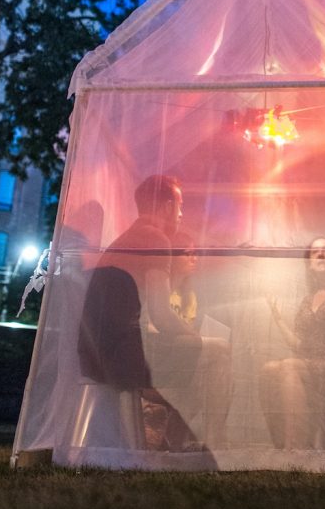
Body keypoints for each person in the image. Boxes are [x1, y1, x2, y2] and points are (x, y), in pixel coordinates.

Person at [78, 175, 230, 450]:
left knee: (196, 353)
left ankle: (173, 443)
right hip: (123, 356)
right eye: (180, 206)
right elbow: (161, 313)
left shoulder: (124, 239)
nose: (182, 214)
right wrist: (194, 335)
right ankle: (211, 445)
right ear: (168, 206)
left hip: (94, 353)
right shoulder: (155, 238)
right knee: (217, 352)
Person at [259, 237, 325, 449]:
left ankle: (296, 450)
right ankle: (282, 445)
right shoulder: (308, 300)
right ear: (309, 263)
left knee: (289, 365)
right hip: (311, 367)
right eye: (315, 252)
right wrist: (278, 319)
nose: (321, 255)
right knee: (268, 370)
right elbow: (300, 345)